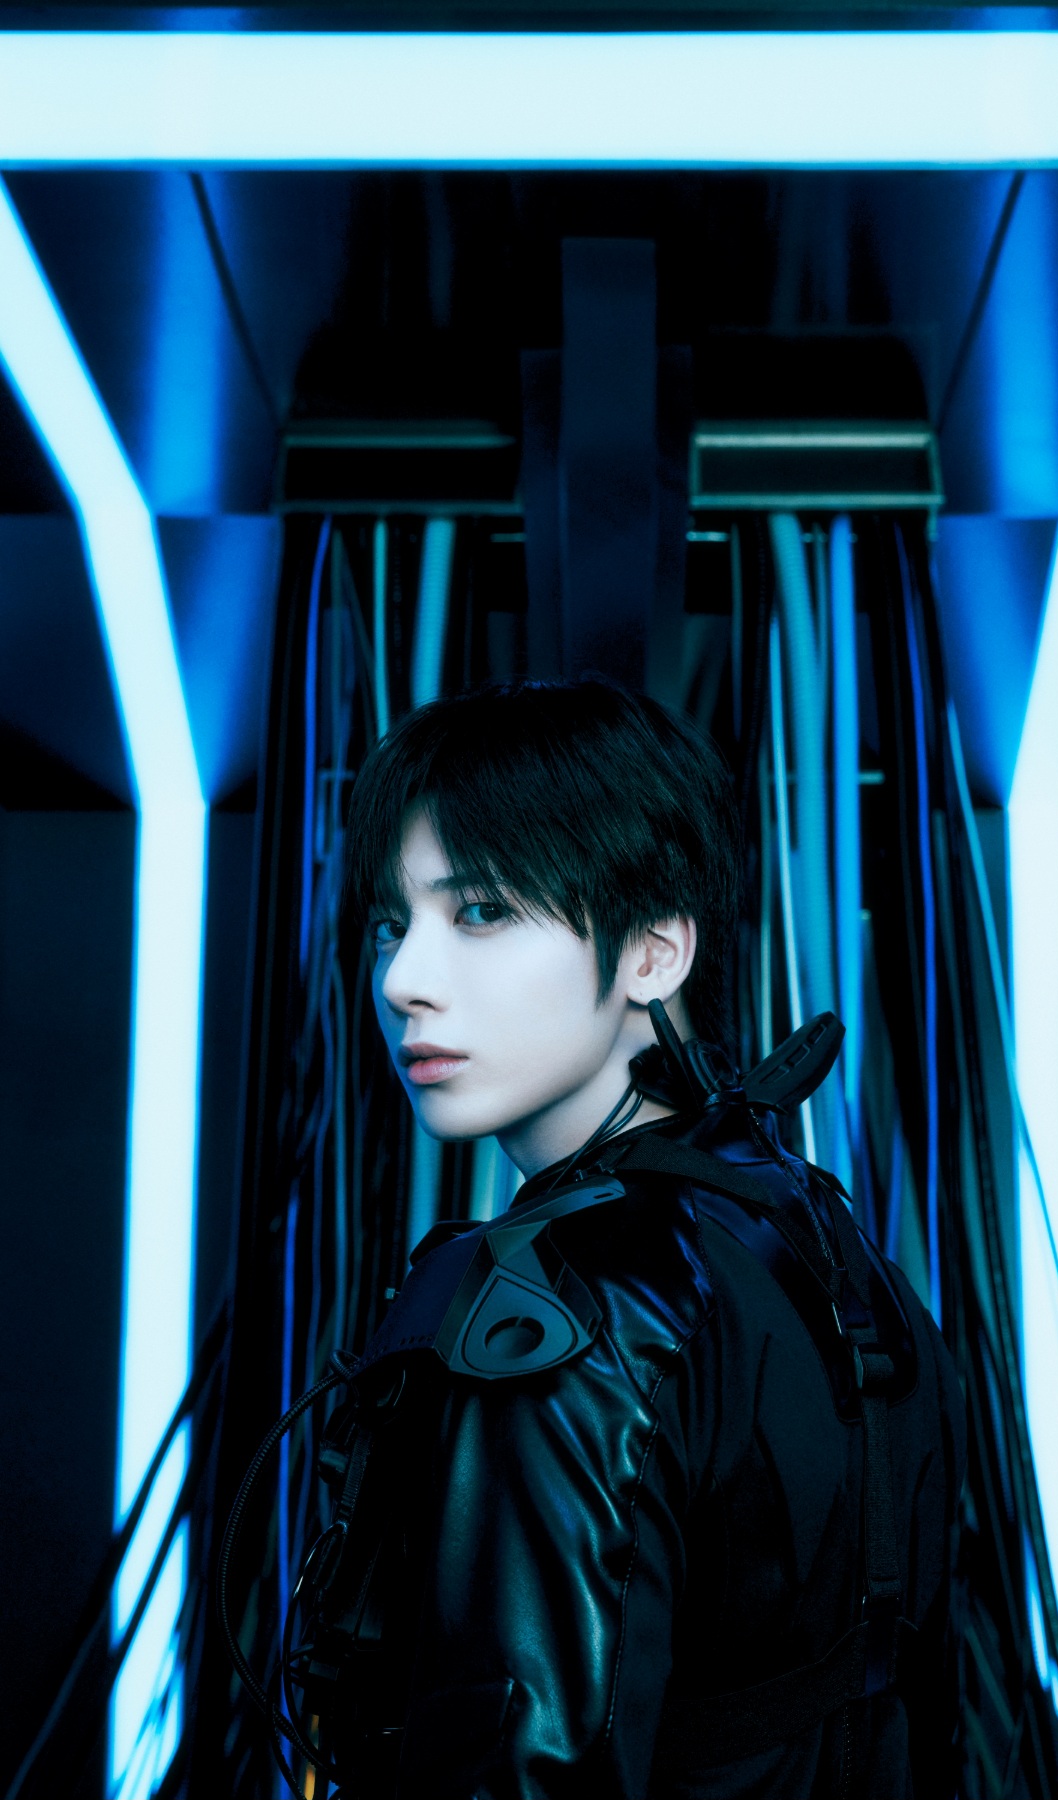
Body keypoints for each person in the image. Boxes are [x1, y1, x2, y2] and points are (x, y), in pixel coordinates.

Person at [303, 678, 966, 1800]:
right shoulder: (834, 1246)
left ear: (654, 952)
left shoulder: (564, 1309)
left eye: (481, 911)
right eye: (389, 925)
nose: (403, 981)